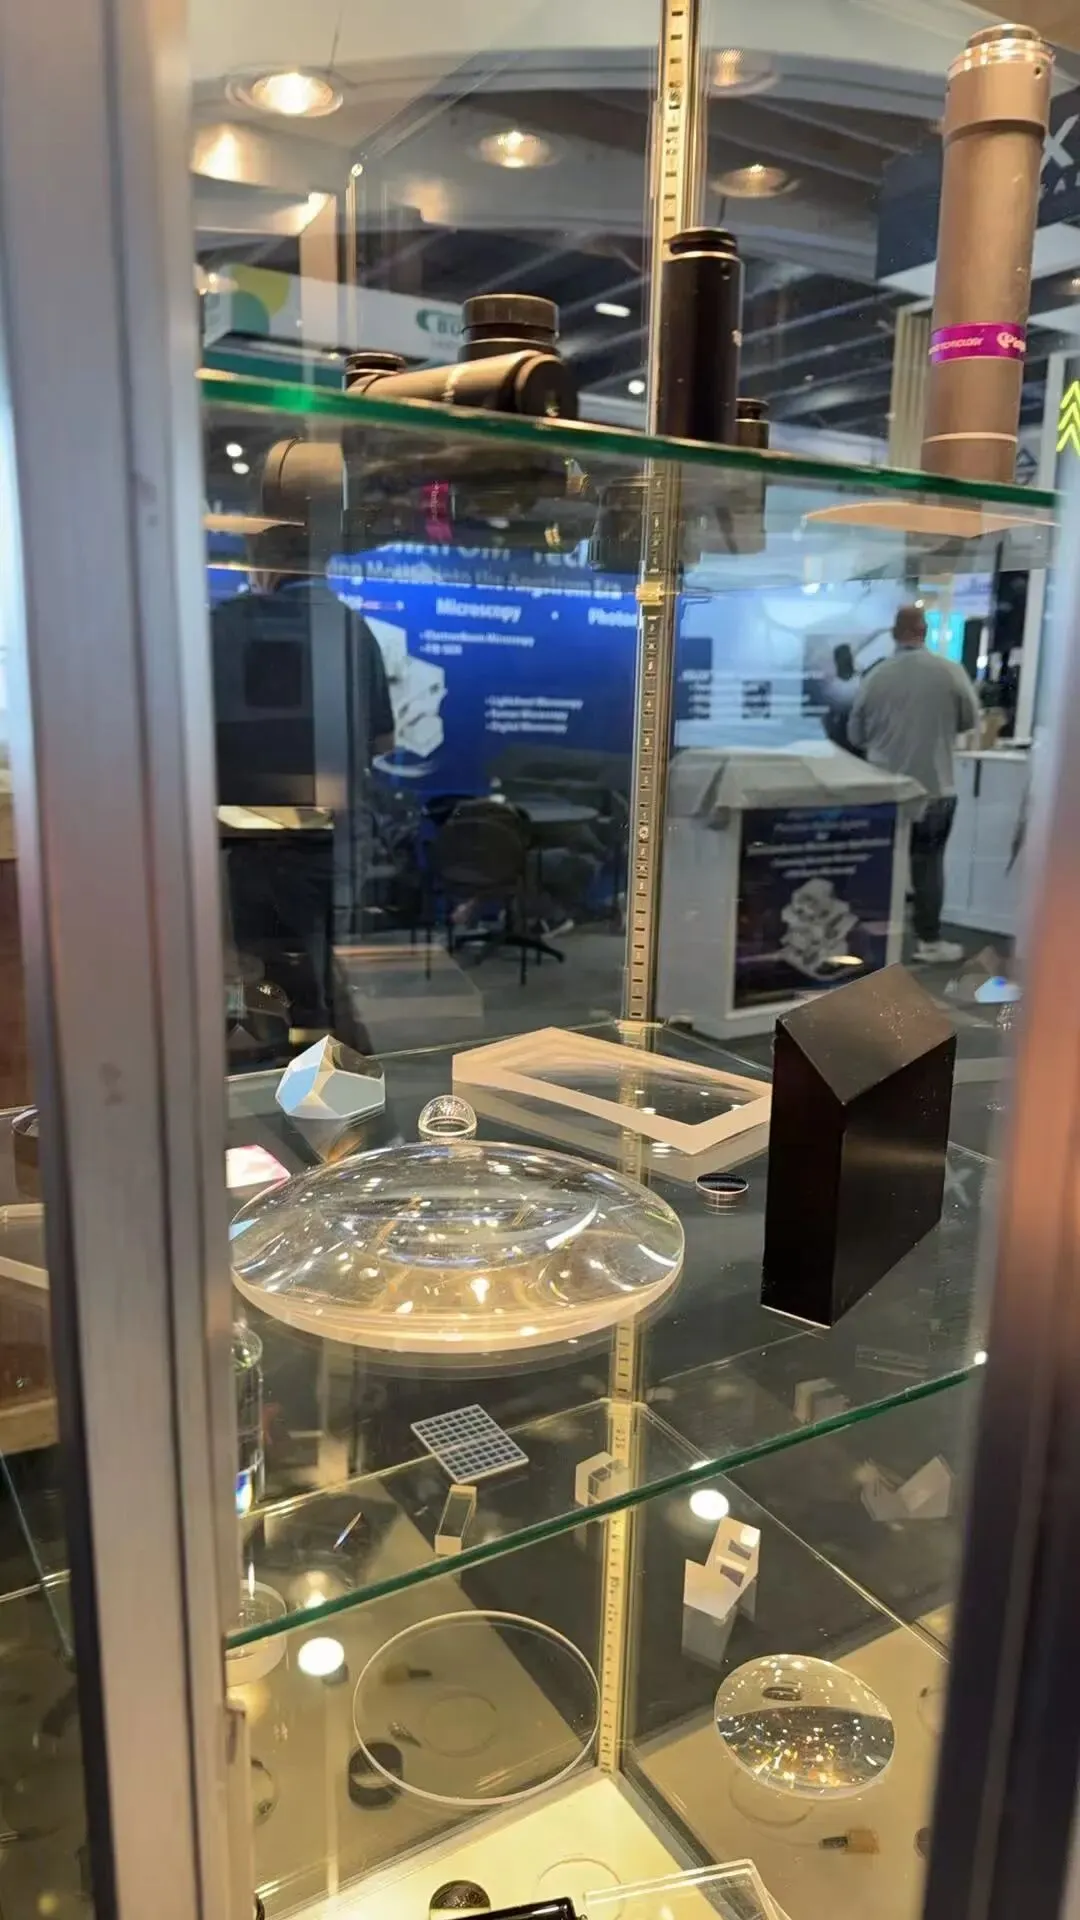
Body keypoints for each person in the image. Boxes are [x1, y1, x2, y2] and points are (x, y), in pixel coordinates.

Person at [213, 528, 395, 1032]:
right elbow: (384, 741)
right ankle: (327, 1050)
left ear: (263, 569)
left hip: (250, 835)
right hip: (334, 833)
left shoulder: (225, 625)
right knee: (330, 962)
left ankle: (278, 1050)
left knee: (263, 969)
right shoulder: (351, 628)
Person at [848, 604, 978, 965]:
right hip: (934, 787)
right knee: (928, 865)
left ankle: (873, 945)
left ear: (894, 634)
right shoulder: (950, 672)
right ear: (925, 632)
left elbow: (855, 733)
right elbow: (969, 719)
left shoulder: (875, 676)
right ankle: (928, 942)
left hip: (884, 790)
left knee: (880, 866)